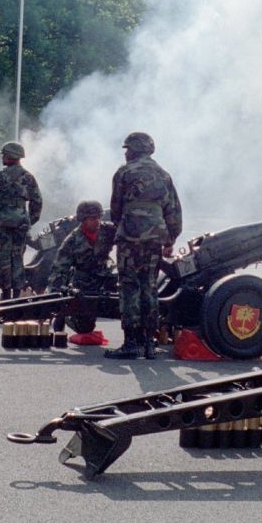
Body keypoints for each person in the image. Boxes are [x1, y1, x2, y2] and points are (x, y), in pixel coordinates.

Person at [107, 131, 181, 360]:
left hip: (130, 237)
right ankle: (150, 343)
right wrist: (170, 239)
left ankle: (131, 343)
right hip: (155, 238)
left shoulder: (123, 172)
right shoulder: (164, 175)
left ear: (136, 149)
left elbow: (115, 208)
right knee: (149, 286)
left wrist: (124, 227)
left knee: (129, 286)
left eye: (128, 148)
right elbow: (174, 211)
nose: (126, 153)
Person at [48, 200, 118, 340]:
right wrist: (58, 297)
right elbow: (59, 268)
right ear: (83, 219)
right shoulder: (72, 241)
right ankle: (66, 316)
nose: (97, 221)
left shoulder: (109, 230)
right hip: (85, 281)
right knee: (84, 328)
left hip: (107, 275)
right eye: (92, 218)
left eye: (99, 217)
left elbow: (127, 236)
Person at [0, 141, 42, 300]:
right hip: (21, 222)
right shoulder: (28, 177)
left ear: (11, 156)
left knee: (3, 257)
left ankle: (5, 292)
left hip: (2, 222)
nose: (2, 157)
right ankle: (17, 293)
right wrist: (29, 220)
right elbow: (37, 201)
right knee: (18, 256)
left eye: (4, 154)